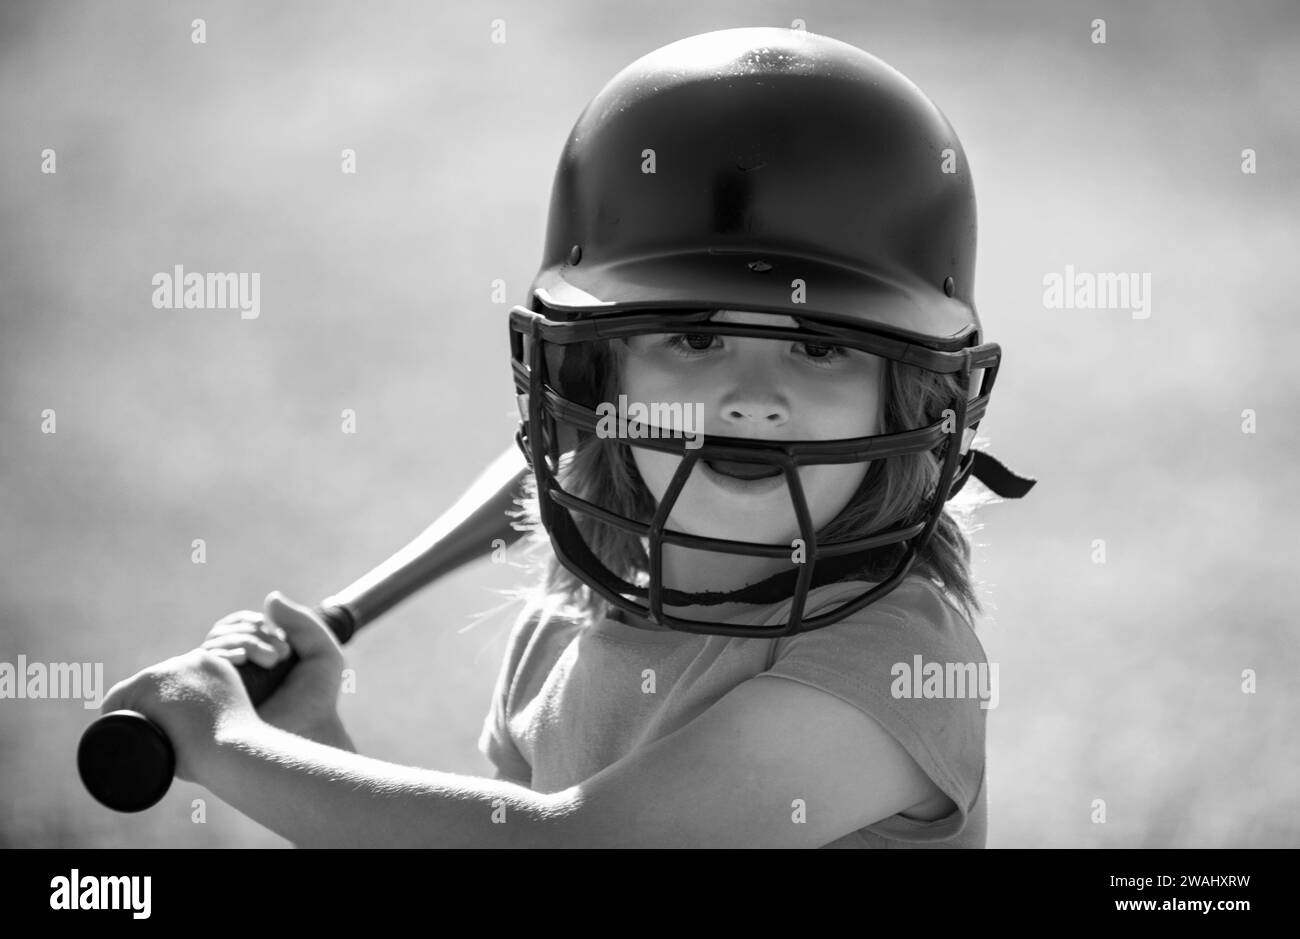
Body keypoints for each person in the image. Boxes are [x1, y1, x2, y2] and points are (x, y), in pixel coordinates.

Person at [101, 26, 1035, 848]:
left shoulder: (898, 658)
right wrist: (309, 742)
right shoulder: (566, 629)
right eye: (697, 338)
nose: (756, 399)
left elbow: (580, 845)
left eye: (825, 348)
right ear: (593, 376)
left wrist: (227, 742)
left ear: (911, 403)